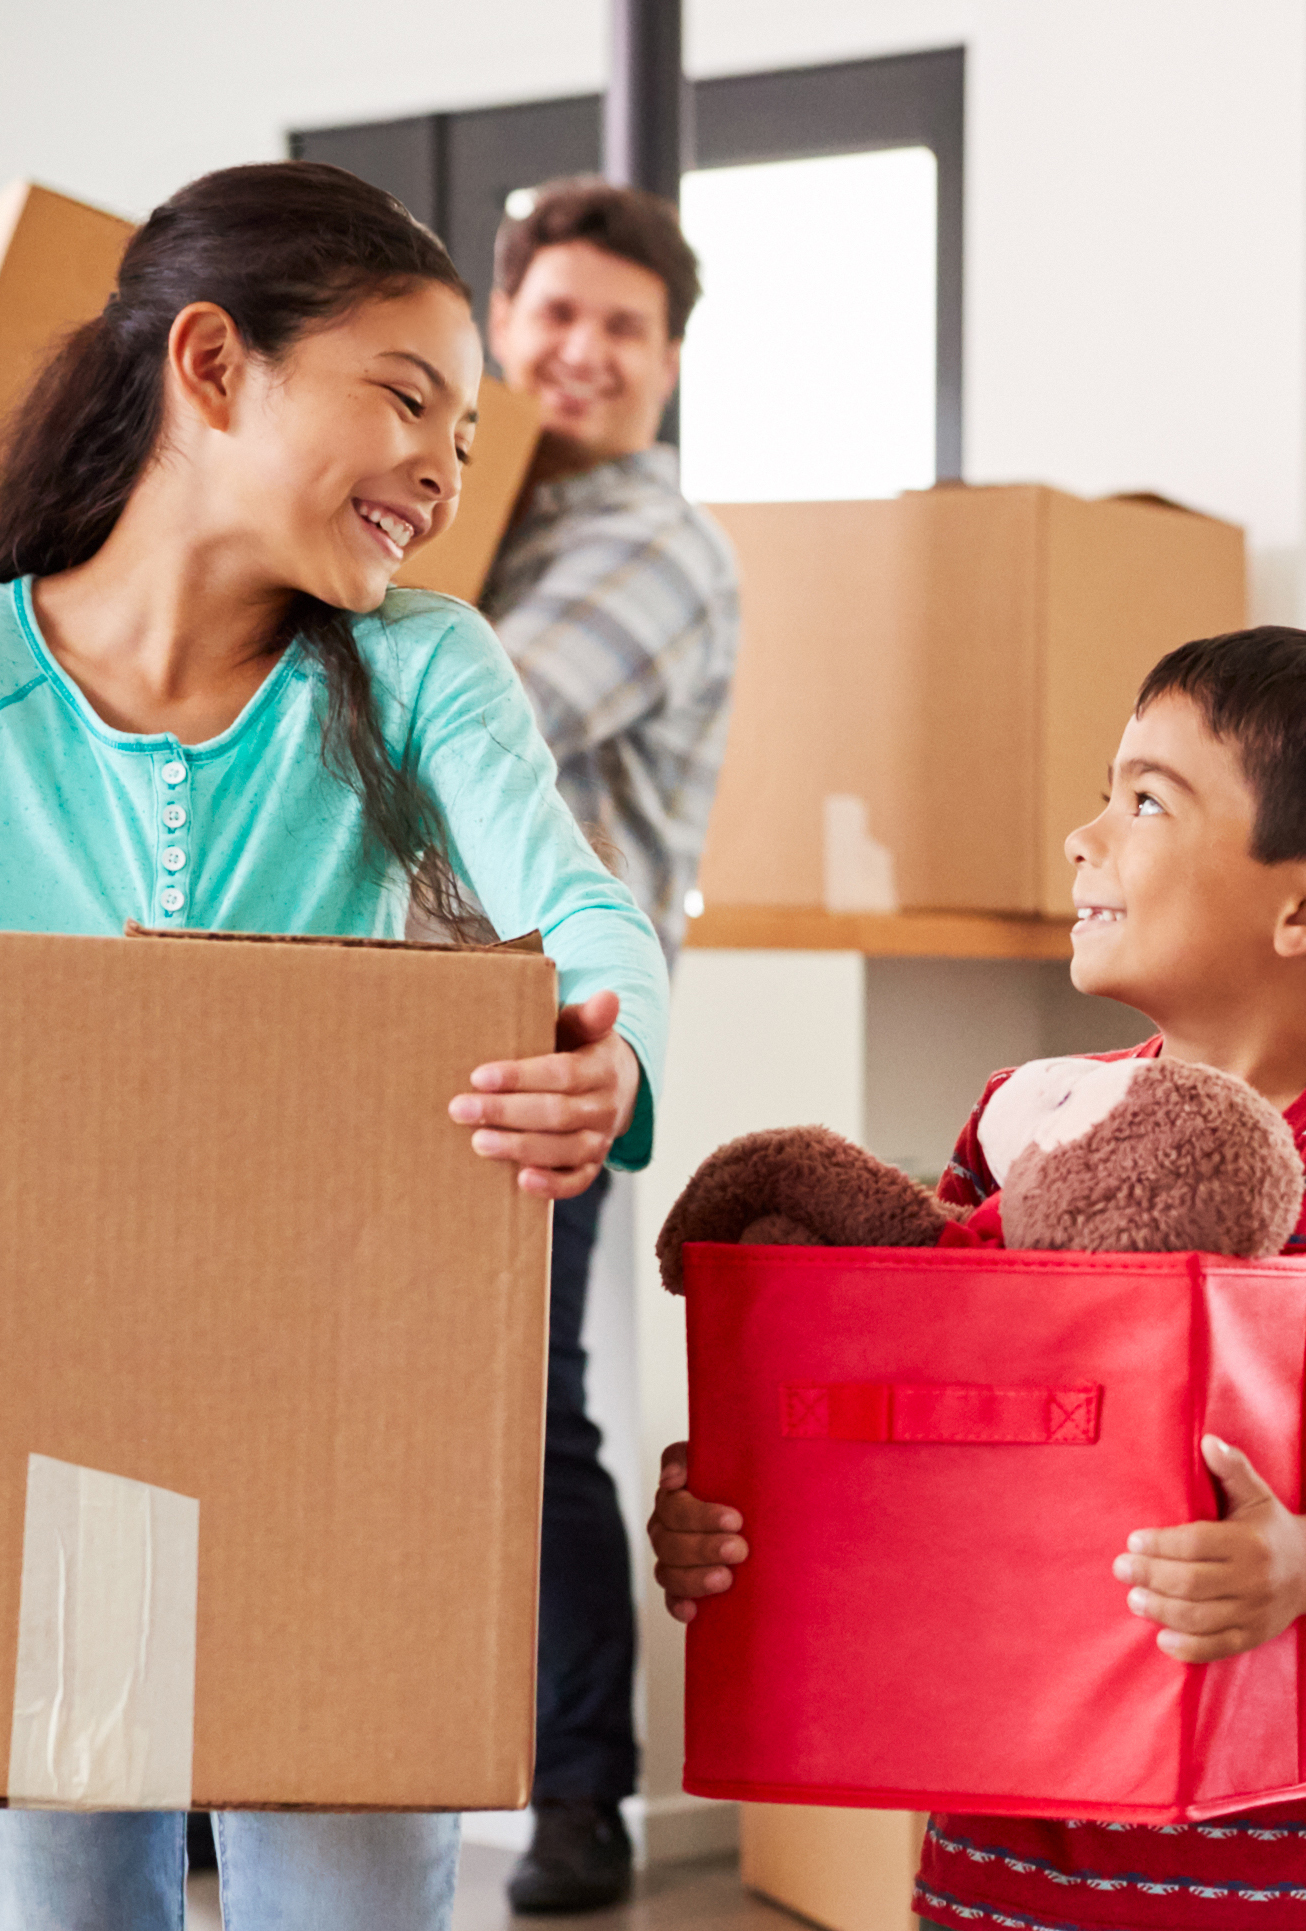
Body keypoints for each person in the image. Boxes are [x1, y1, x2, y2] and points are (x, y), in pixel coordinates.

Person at [0, 160, 671, 1931]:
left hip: (336, 1402)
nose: (443, 469)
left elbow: (583, 909)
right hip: (28, 1407)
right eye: (405, 399)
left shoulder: (425, 671)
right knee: (69, 1905)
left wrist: (604, 1054)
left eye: (466, 436)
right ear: (214, 366)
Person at [653, 628, 1306, 1931]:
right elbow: (919, 1425)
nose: (1085, 835)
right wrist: (735, 1511)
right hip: (1011, 1850)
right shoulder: (1022, 1122)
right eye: (1109, 790)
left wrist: (1303, 1564)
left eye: (1149, 799)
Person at [469, 174, 741, 1917]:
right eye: (553, 315)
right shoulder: (462, 515)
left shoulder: (653, 544)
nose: (580, 352)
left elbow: (482, 709)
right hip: (363, 1010)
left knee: (531, 1411)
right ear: (501, 328)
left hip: (544, 1022)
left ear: (665, 368)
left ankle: (583, 1795)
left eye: (621, 330)